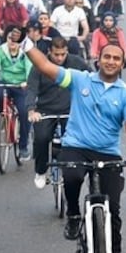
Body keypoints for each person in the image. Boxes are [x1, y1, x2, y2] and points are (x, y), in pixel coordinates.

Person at [17, 35, 126, 253]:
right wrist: (26, 43)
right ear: (98, 60)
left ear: (122, 64)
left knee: (114, 210)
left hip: (108, 152)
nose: (110, 61)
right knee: (72, 177)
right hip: (76, 146)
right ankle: (74, 215)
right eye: (106, 57)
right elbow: (45, 66)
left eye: (116, 58)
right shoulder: (79, 79)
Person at [26, 36, 90, 189]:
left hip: (71, 110)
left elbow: (92, 79)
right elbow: (32, 89)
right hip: (45, 111)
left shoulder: (77, 63)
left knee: (76, 140)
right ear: (49, 52)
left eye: (63, 54)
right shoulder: (39, 65)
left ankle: (74, 168)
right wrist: (31, 110)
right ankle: (41, 170)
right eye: (56, 54)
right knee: (41, 138)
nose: (60, 58)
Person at [0, 26, 33, 160]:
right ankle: (1, 114)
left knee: (24, 111)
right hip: (5, 83)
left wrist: (27, 81)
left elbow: (30, 68)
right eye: (10, 38)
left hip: (21, 86)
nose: (13, 42)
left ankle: (23, 146)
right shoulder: (1, 50)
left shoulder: (26, 51)